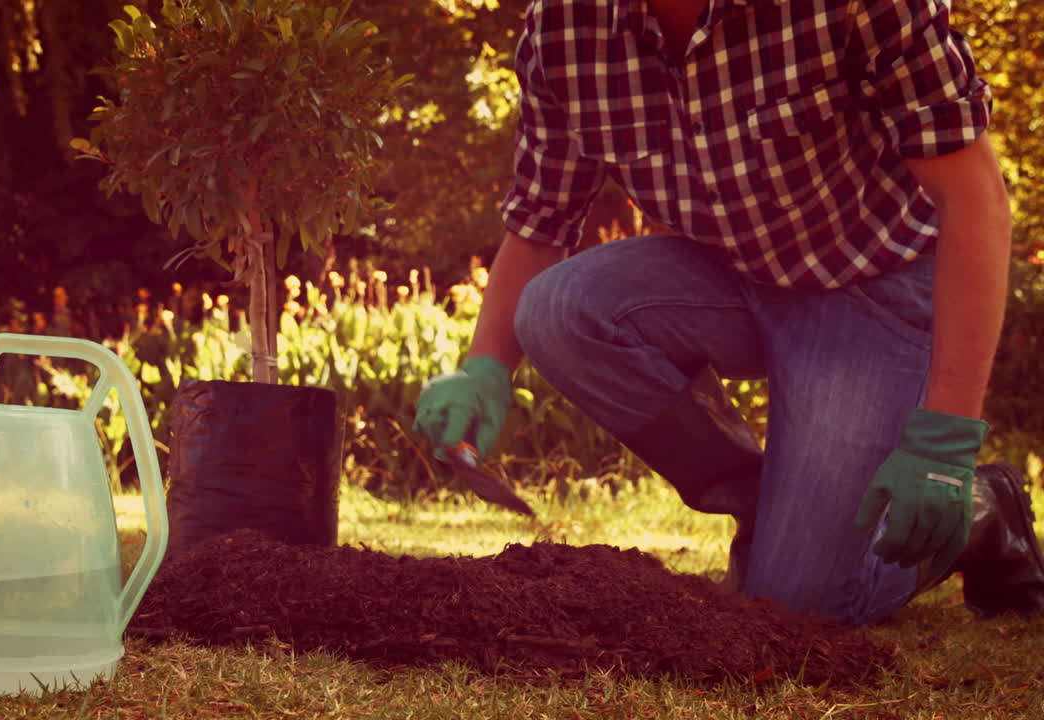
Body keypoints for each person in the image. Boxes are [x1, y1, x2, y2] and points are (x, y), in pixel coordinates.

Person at [412, 0, 1044, 625]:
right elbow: (539, 224)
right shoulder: (563, 28)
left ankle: (986, 510)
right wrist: (485, 364)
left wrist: (945, 438)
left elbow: (975, 200)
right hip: (728, 279)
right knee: (557, 308)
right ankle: (764, 507)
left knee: (797, 609)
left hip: (869, 287)